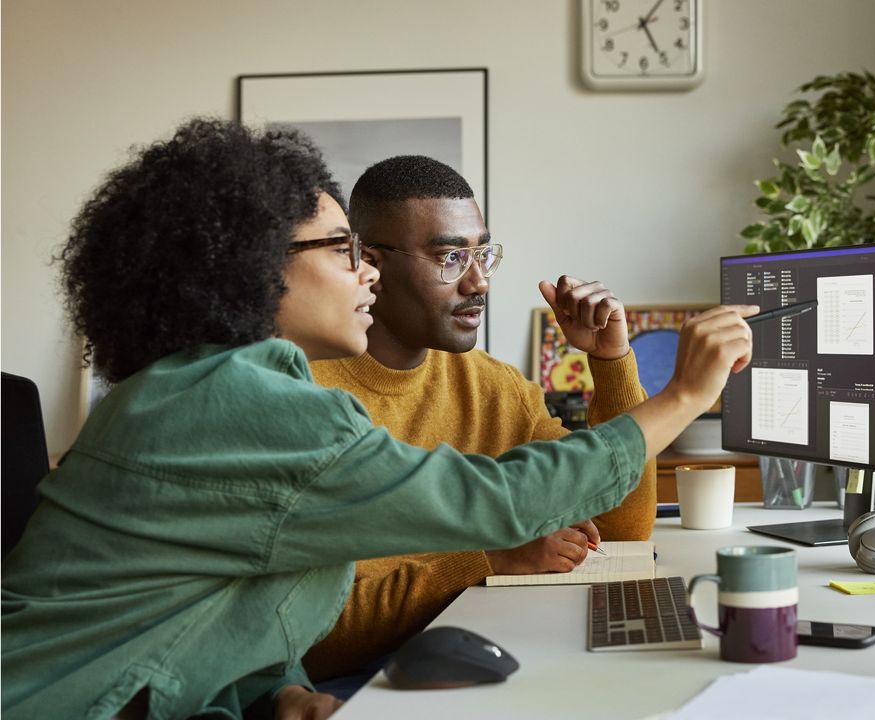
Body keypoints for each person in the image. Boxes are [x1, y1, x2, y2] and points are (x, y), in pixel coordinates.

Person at [0, 119, 756, 720]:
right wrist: (683, 394)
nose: (365, 270)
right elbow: (500, 504)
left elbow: (227, 601)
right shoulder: (242, 403)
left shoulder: (199, 389)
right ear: (254, 264)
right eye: (340, 249)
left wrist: (279, 692)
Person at [302, 156, 657, 681]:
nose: (479, 284)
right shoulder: (301, 396)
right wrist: (491, 560)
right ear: (370, 265)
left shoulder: (493, 386)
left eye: (483, 255)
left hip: (476, 643)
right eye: (450, 258)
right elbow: (311, 637)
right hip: (358, 684)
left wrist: (610, 364)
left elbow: (620, 528)